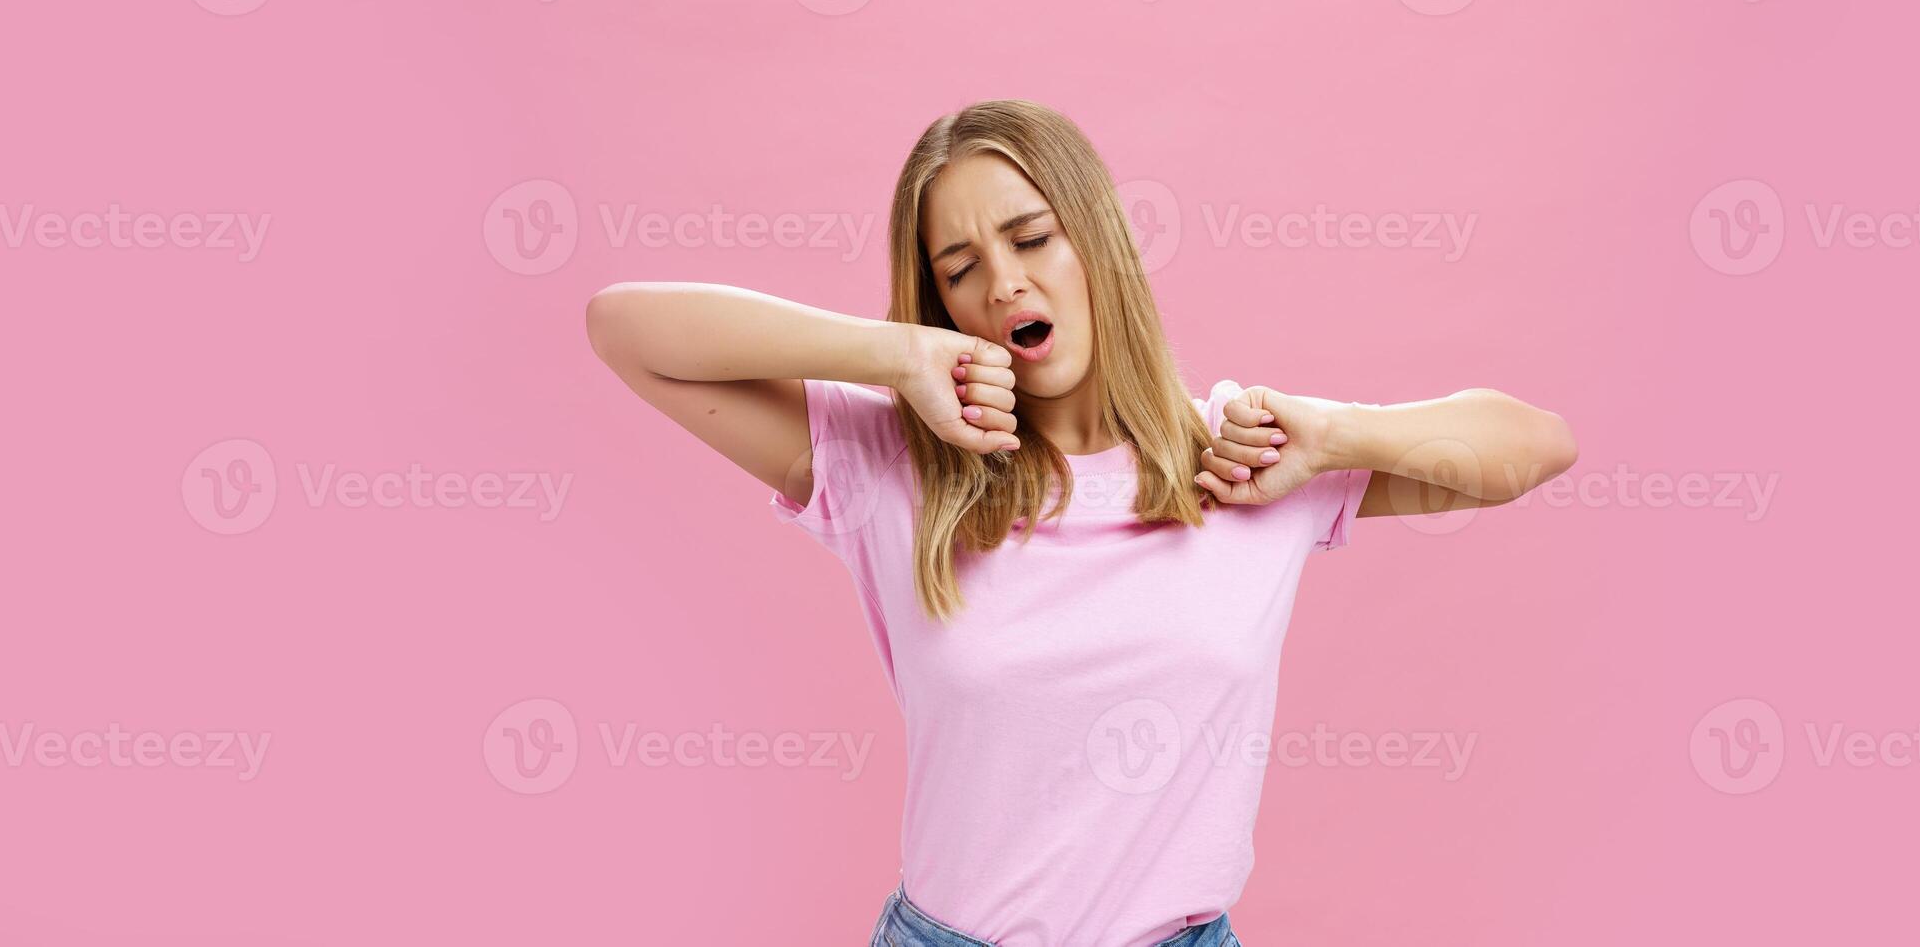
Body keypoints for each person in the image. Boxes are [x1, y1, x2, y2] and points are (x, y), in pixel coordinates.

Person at [586, 99, 1576, 947]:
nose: (1003, 285)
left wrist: (1336, 430)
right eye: (957, 267)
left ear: (1095, 238)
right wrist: (894, 354)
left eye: (1029, 238)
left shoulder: (1247, 459)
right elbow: (625, 327)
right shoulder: (894, 462)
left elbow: (1533, 447)